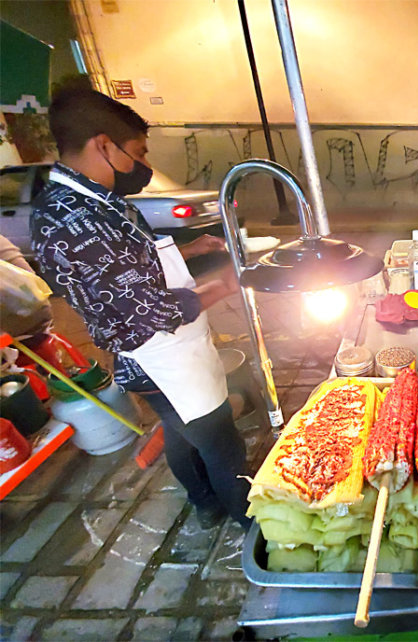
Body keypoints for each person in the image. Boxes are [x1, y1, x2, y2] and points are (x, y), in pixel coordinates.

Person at [30, 88, 250, 529]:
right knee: (222, 445)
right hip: (161, 353)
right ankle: (255, 530)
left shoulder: (79, 202)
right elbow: (153, 311)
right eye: (137, 152)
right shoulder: (81, 222)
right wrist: (226, 284)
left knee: (180, 433)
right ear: (103, 145)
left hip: (138, 357)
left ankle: (204, 503)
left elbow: (128, 267)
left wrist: (191, 248)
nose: (141, 165)